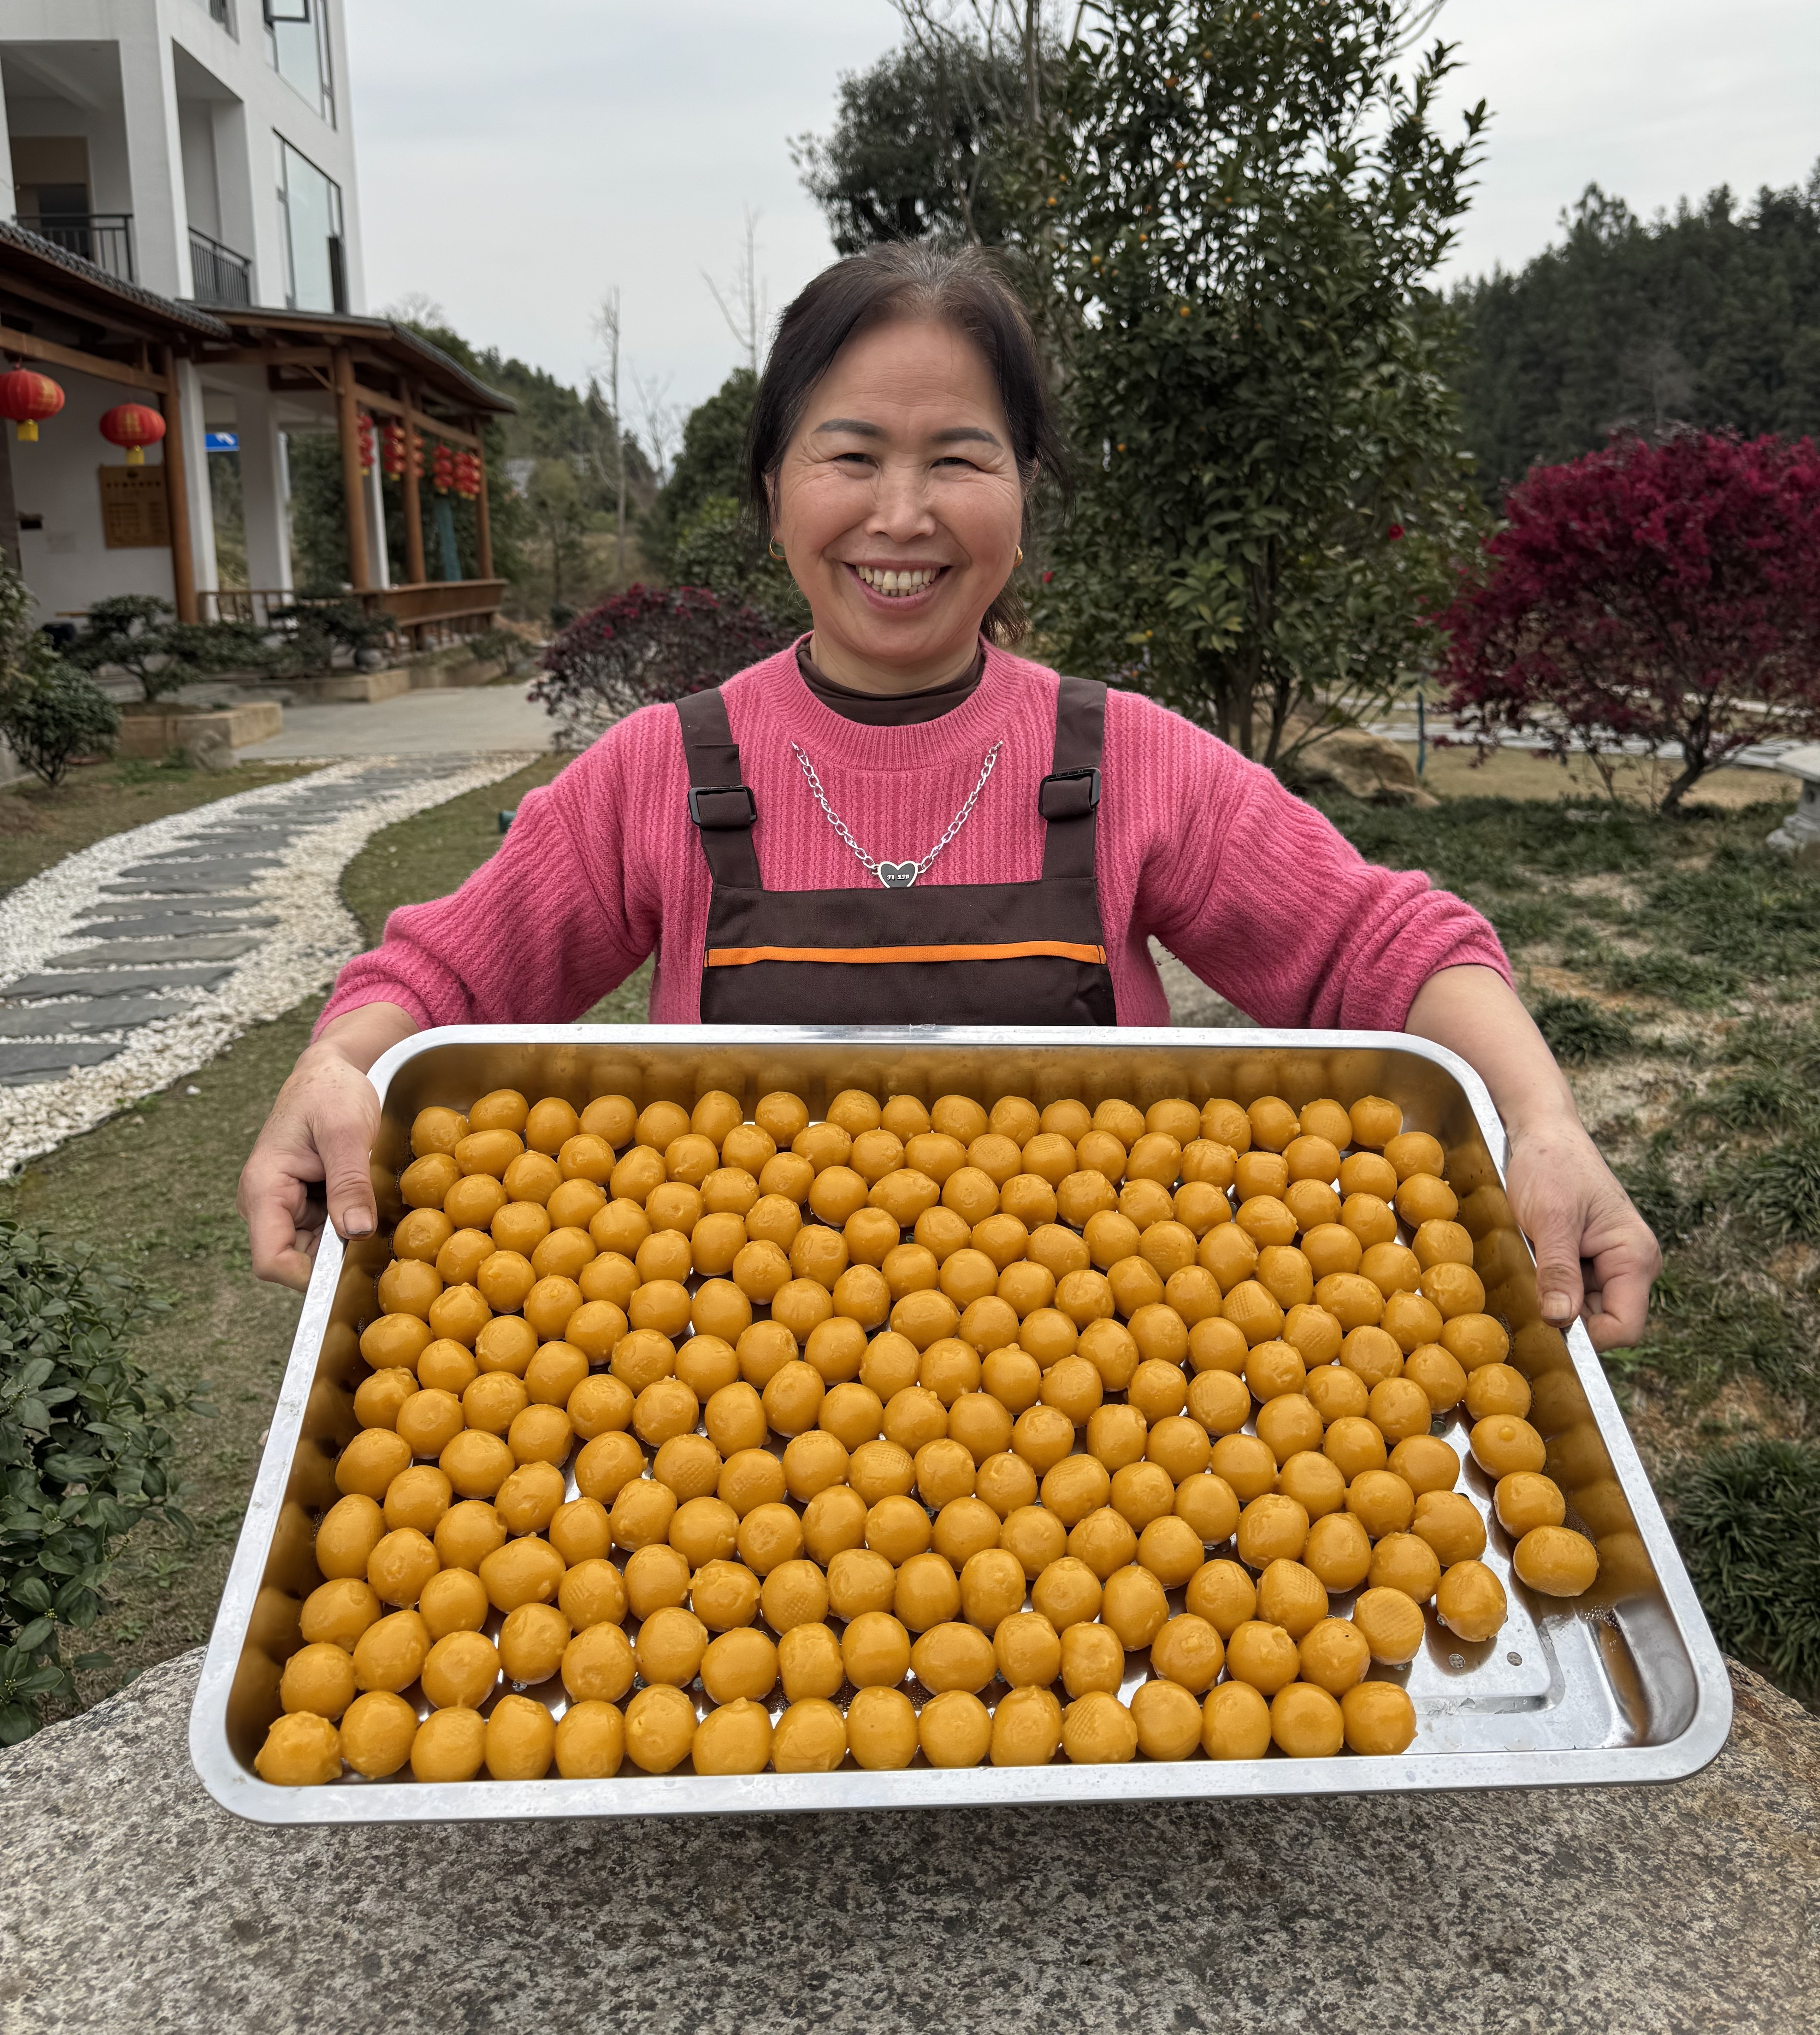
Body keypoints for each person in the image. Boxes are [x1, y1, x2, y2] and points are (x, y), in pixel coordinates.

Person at [240, 243, 1659, 1348]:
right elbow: (446, 973)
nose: (901, 516)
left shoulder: (1130, 761)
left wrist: (1540, 1124)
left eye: (959, 459)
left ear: (1024, 492)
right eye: (850, 455)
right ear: (776, 488)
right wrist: (334, 1068)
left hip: (1100, 1402)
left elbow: (1382, 947)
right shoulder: (663, 771)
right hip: (722, 1417)